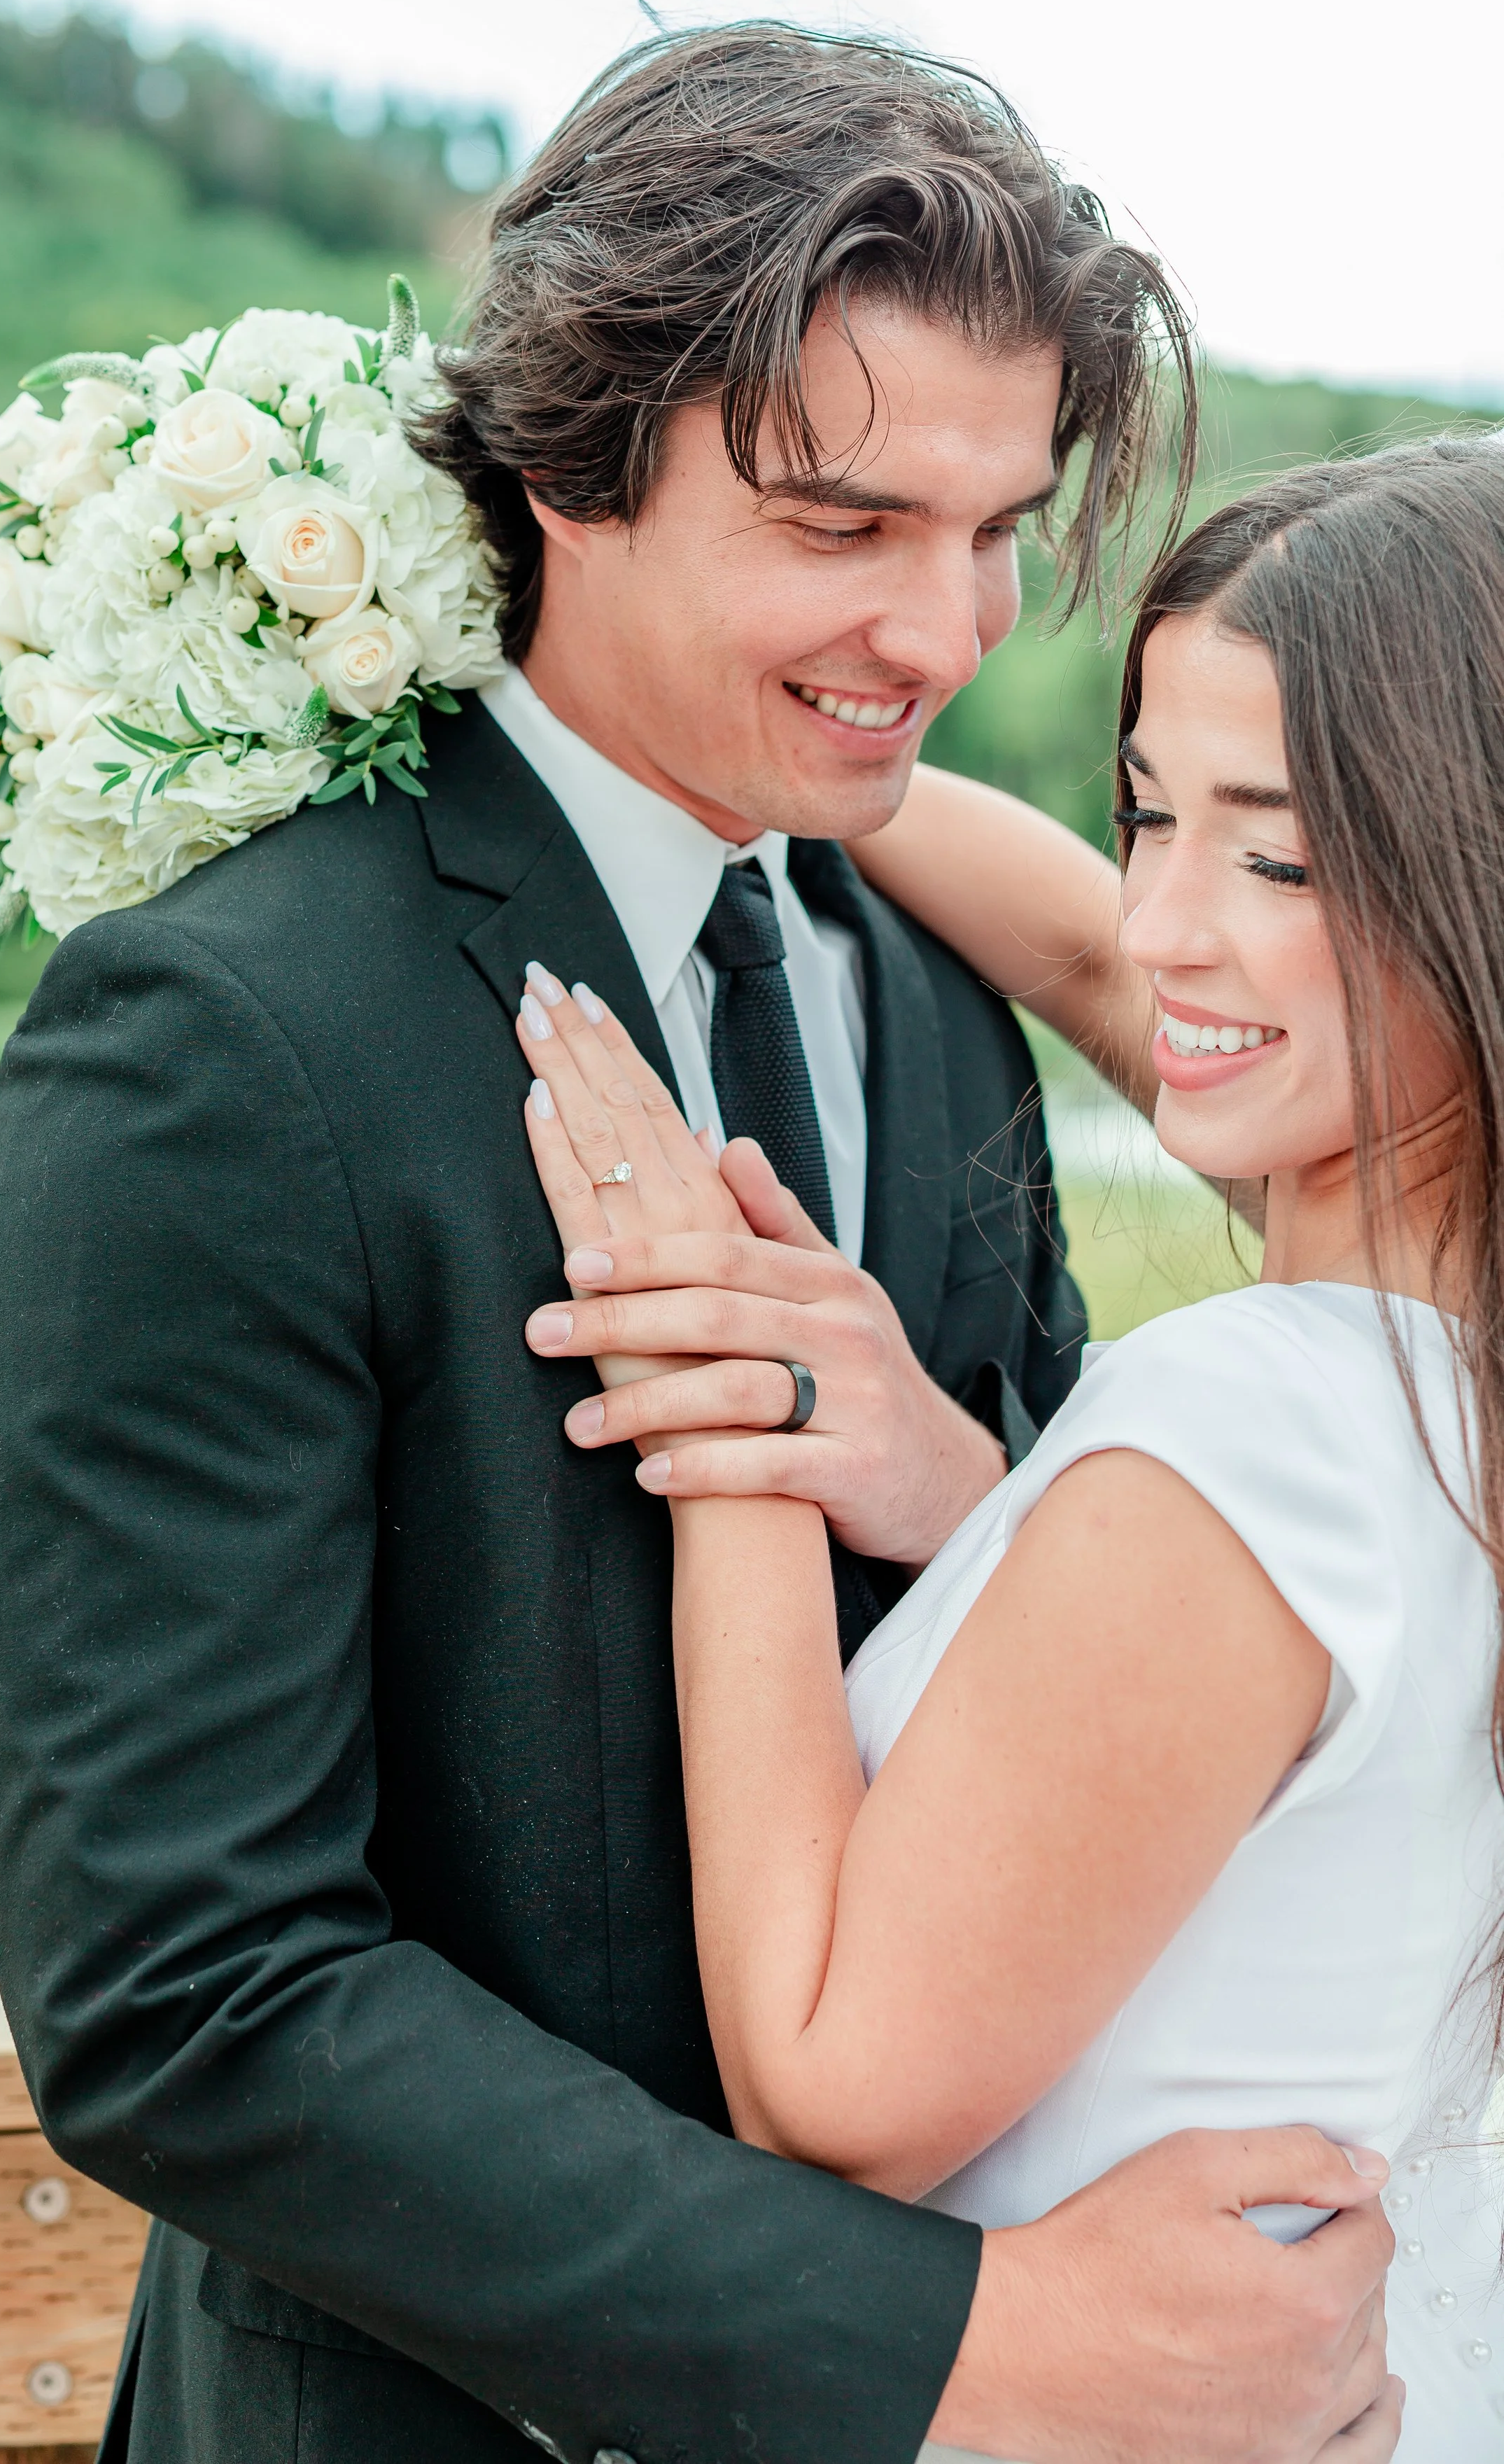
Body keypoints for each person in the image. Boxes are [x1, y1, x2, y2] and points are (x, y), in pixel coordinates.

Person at [0, 24, 1398, 2463]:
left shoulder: (933, 999)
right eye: (843, 526)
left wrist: (963, 1480)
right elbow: (185, 1990)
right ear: (563, 470)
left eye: (997, 524)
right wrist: (954, 2349)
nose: (943, 631)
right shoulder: (222, 1036)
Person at [514, 436, 1504, 2460]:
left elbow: (828, 2083)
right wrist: (743, 743)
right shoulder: (1436, 1381)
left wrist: (739, 1421)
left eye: (1277, 855)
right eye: (1142, 813)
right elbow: (1079, 950)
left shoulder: (1259, 1430)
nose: (1159, 923)